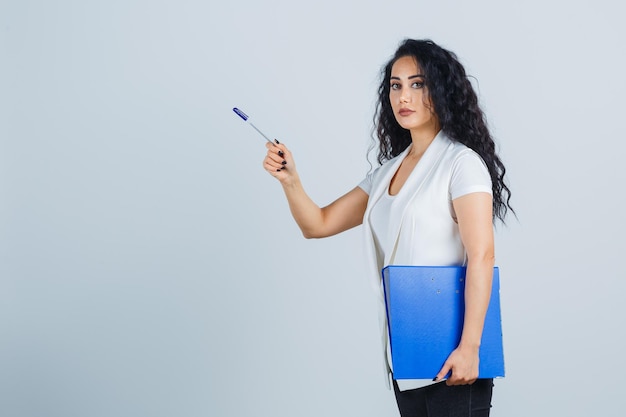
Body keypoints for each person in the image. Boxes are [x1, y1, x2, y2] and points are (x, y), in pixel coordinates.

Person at [262, 39, 513, 417]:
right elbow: (318, 224)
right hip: (407, 354)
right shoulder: (385, 175)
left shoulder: (462, 164)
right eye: (396, 85)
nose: (403, 96)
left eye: (417, 83)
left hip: (453, 353)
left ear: (441, 90)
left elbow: (482, 254)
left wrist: (471, 348)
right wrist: (290, 180)